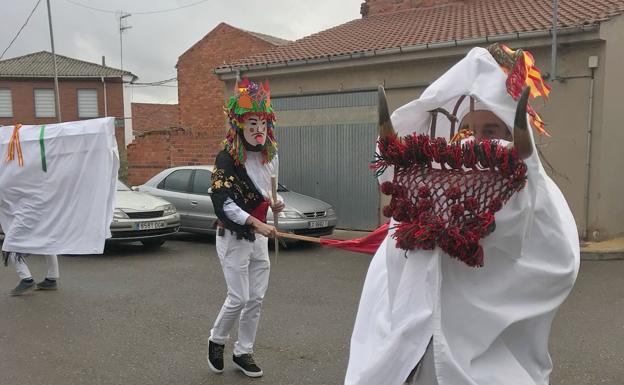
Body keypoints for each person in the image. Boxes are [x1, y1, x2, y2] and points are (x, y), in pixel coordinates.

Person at [345, 44, 579, 385]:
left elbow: (556, 262)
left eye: (492, 133)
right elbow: (389, 274)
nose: (478, 143)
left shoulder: (538, 197)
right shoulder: (432, 190)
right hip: (416, 353)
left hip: (488, 366)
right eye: (470, 131)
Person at [207, 78, 284, 378]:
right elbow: (222, 201)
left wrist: (277, 205)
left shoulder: (269, 158)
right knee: (238, 297)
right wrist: (255, 222)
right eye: (252, 123)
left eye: (263, 123)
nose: (259, 130)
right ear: (239, 124)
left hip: (259, 237)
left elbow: (269, 195)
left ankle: (243, 352)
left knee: (256, 299)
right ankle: (216, 339)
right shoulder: (226, 159)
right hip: (234, 236)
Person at [0, 118, 119, 296]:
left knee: (11, 244)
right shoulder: (24, 170)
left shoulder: (18, 171)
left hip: (28, 211)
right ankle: (51, 278)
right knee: (47, 239)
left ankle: (26, 278)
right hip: (34, 209)